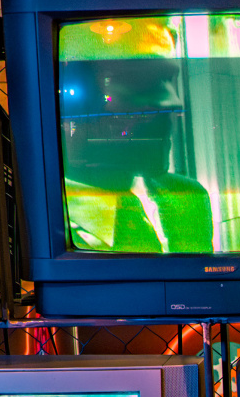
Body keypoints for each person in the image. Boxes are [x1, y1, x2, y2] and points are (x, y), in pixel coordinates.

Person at [56, 17, 215, 254]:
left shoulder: (190, 199)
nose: (173, 104)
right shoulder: (43, 221)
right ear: (78, 102)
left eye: (168, 83)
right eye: (140, 84)